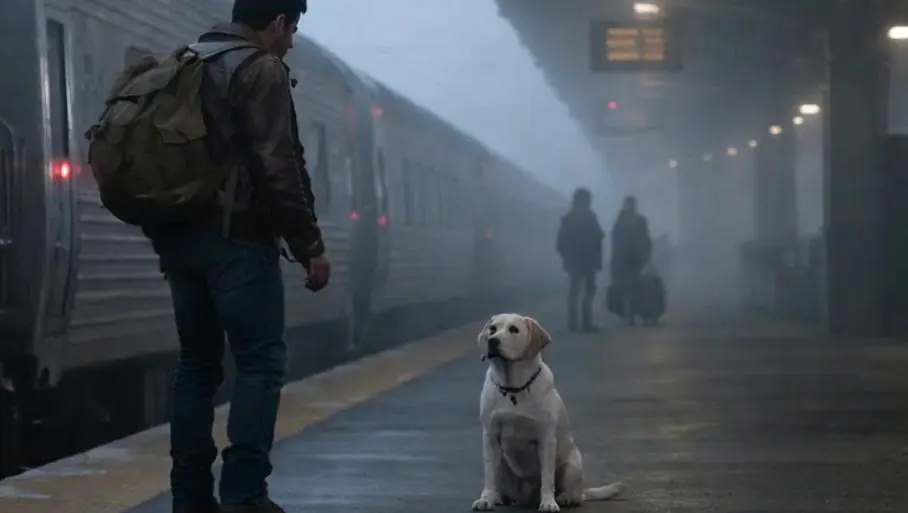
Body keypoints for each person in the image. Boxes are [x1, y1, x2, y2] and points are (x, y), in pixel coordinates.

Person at [145, 1, 329, 512]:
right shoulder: (261, 69)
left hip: (181, 240)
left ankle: (189, 497)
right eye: (292, 30)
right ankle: (244, 495)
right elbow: (278, 166)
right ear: (278, 23)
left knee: (196, 366)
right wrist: (309, 245)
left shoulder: (187, 61)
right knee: (260, 364)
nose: (291, 42)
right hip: (239, 242)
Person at [556, 188, 606, 332]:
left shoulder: (569, 218)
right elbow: (598, 240)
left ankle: (575, 323)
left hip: (578, 261)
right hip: (584, 261)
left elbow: (560, 243)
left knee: (577, 291)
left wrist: (567, 258)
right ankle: (584, 323)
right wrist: (598, 259)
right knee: (585, 291)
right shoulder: (589, 217)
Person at [609, 196, 652, 326]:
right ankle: (630, 315)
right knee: (629, 289)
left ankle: (633, 315)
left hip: (636, 260)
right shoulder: (623, 222)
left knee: (635, 288)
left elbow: (646, 239)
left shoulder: (635, 221)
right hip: (626, 260)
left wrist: (647, 256)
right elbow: (616, 242)